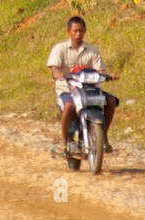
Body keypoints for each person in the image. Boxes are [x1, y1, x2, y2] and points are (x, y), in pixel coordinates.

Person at [46, 15, 117, 152]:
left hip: (90, 90)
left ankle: (104, 136)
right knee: (69, 105)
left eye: (81, 30)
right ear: (69, 32)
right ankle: (64, 141)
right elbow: (54, 67)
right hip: (67, 90)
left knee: (111, 101)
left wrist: (108, 76)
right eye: (75, 31)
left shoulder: (92, 50)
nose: (78, 34)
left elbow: (100, 70)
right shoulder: (60, 49)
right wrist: (57, 73)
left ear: (85, 31)